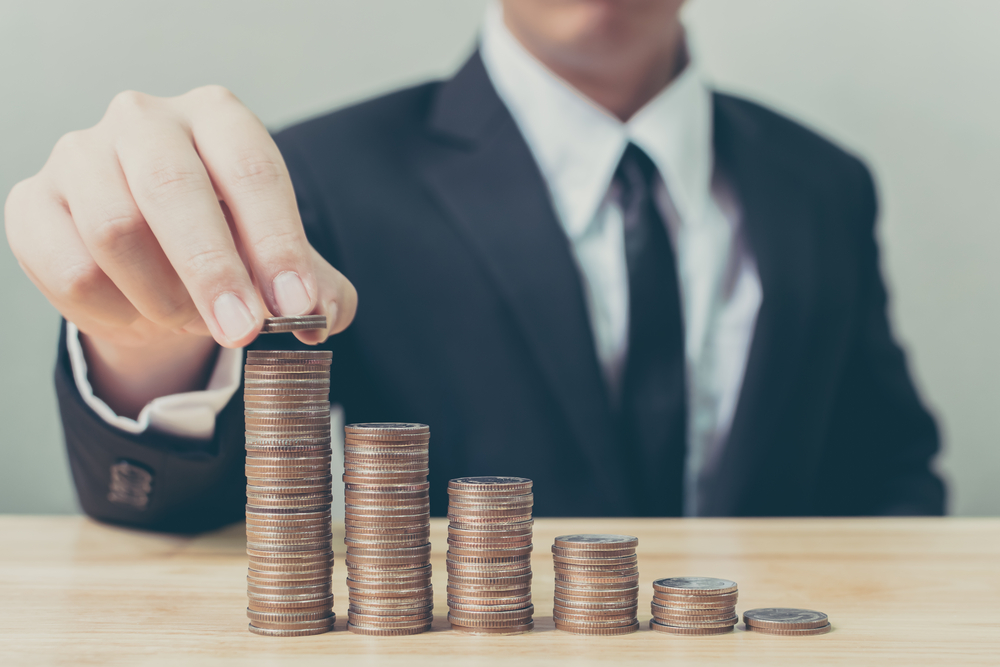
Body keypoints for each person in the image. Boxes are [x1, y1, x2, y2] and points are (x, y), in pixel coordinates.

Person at [4, 0, 945, 530]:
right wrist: (149, 341)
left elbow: (887, 463)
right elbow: (164, 508)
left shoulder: (822, 182)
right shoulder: (318, 175)